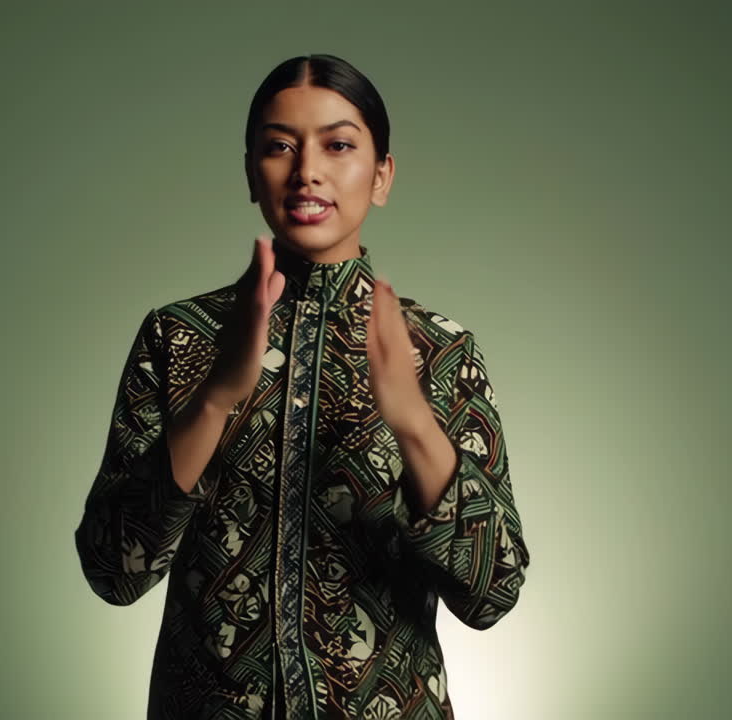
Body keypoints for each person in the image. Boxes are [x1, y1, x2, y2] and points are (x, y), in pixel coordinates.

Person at [75, 53, 531, 719]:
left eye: (338, 145)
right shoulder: (179, 337)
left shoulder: (437, 350)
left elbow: (493, 592)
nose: (307, 171)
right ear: (250, 172)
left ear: (381, 176)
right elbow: (115, 571)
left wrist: (411, 422)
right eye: (279, 147)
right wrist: (216, 397)